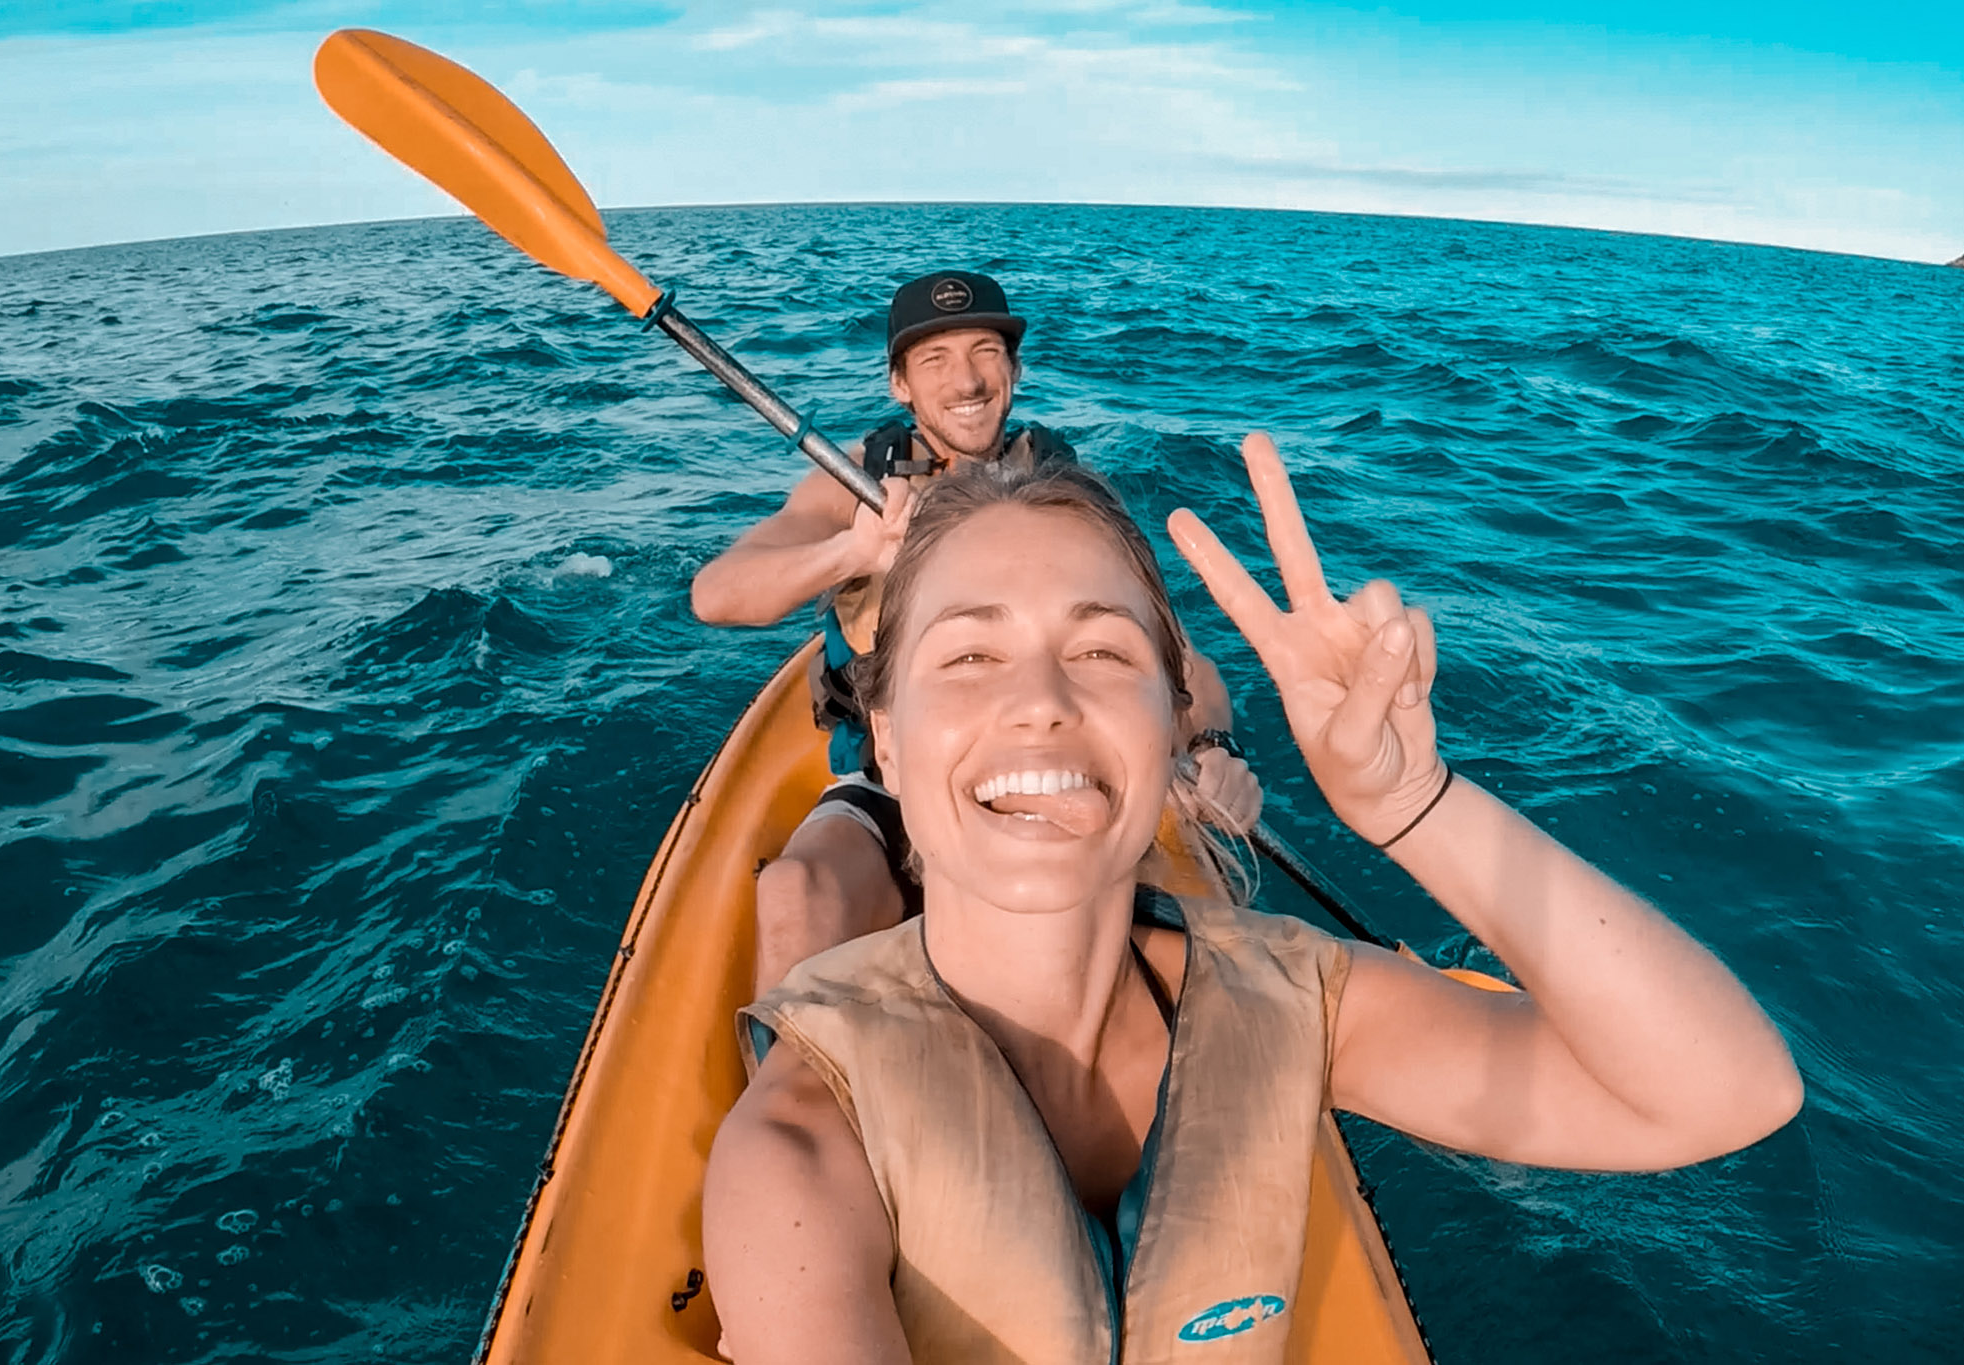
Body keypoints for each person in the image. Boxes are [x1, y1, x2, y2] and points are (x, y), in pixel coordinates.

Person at [702, 436, 1805, 1363]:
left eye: (1100, 648)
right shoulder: (797, 1149)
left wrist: (1416, 806)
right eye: (970, 654)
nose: (1039, 701)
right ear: (884, 742)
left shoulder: (1296, 996)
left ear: (1168, 719)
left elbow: (1722, 1095)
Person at [690, 270, 1262, 992]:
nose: (967, 380)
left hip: (1049, 766)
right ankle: (810, 1093)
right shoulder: (855, 486)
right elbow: (716, 595)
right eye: (934, 359)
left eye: (986, 351)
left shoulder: (1068, 498)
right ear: (900, 384)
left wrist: (1212, 746)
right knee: (795, 891)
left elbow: (1181, 663)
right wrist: (853, 553)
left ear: (1014, 369)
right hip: (898, 780)